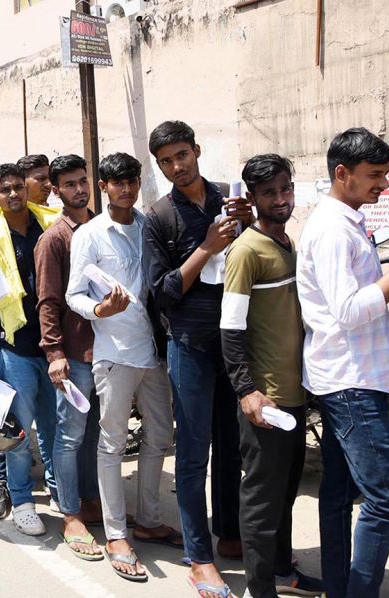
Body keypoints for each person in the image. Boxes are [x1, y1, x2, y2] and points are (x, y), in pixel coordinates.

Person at [297, 128, 389, 597]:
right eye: (374, 175)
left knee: (341, 494)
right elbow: (348, 310)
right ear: (342, 174)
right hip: (350, 380)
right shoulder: (331, 229)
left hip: (356, 374)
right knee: (387, 499)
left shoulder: (347, 222)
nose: (383, 183)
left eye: (385, 174)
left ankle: (342, 587)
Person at [141, 120, 246, 597]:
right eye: (165, 161)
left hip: (238, 340)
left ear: (197, 151)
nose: (176, 167)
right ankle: (199, 556)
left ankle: (229, 533)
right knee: (193, 449)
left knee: (232, 443)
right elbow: (161, 293)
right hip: (190, 345)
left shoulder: (230, 198)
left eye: (182, 155)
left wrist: (248, 221)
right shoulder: (160, 217)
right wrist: (205, 249)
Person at [67, 152, 180, 581]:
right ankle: (116, 533)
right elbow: (74, 294)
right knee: (112, 443)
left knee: (160, 437)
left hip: (153, 350)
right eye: (117, 182)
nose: (126, 189)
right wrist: (100, 310)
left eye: (132, 181)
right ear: (104, 186)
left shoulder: (149, 226)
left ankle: (149, 519)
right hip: (114, 353)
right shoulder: (91, 235)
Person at [220, 154, 324, 598]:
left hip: (295, 394)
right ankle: (260, 589)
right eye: (269, 193)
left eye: (285, 190)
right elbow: (231, 327)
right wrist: (247, 390)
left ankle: (283, 571)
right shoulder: (246, 251)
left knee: (284, 494)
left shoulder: (285, 241)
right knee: (261, 500)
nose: (280, 200)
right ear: (252, 198)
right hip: (267, 400)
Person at [0, 163, 61, 535]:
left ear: (26, 189)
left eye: (16, 188)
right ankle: (22, 500)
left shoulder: (51, 224)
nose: (12, 194)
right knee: (20, 433)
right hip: (16, 348)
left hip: (56, 346)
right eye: (4, 190)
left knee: (57, 429)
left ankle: (60, 493)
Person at [34, 154, 102, 557]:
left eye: (83, 181)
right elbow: (47, 301)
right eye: (70, 184)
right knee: (70, 434)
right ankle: (70, 514)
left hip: (107, 350)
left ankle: (91, 500)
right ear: (56, 192)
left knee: (96, 434)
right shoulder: (54, 239)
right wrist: (55, 352)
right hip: (74, 353)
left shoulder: (102, 227)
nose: (79, 189)